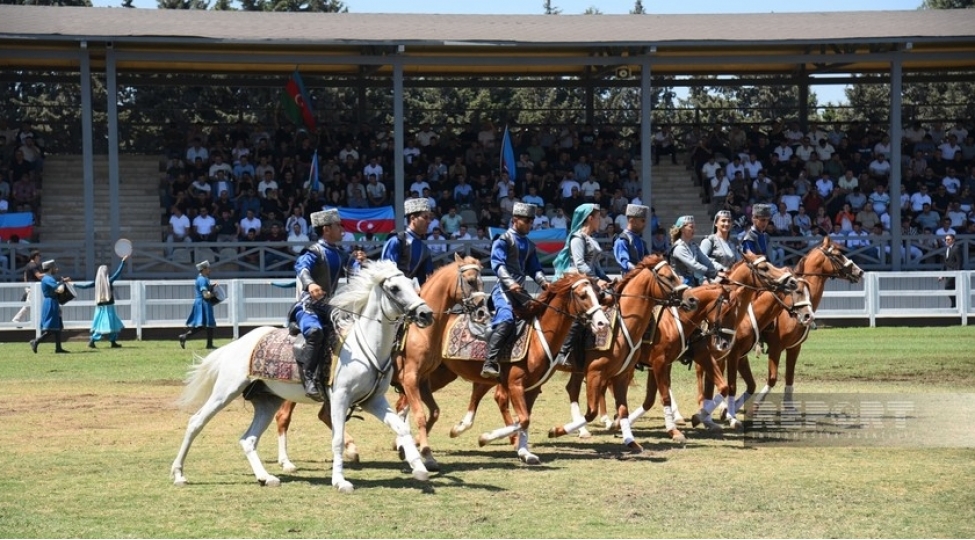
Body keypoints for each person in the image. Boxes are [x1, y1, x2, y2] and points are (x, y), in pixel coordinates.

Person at [480, 202, 550, 379]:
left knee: (542, 315)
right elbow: (498, 264)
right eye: (526, 221)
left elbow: (535, 269)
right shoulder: (503, 240)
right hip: (503, 291)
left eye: (531, 221)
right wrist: (510, 283)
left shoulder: (530, 245)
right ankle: (489, 362)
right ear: (515, 220)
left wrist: (544, 282)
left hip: (521, 293)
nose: (529, 224)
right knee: (507, 319)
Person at [291, 209, 348, 401]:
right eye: (338, 226)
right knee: (315, 332)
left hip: (329, 308)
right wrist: (310, 284)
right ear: (326, 229)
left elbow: (355, 270)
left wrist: (362, 263)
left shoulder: (340, 254)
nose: (342, 229)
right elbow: (301, 266)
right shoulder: (314, 251)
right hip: (308, 307)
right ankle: (308, 378)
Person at [552, 203, 611, 369]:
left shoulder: (591, 239)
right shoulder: (577, 238)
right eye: (598, 218)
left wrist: (606, 279)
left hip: (590, 279)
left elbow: (596, 265)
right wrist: (596, 280)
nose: (600, 221)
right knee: (583, 310)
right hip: (576, 279)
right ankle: (563, 352)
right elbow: (579, 264)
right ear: (590, 218)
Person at [75, 256, 128, 348]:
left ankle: (112, 342)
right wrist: (122, 262)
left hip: (100, 307)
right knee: (108, 324)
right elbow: (118, 273)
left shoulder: (96, 283)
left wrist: (74, 284)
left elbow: (84, 286)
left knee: (107, 324)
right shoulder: (109, 281)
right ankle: (93, 340)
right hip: (109, 307)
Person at [381, 198, 434, 288]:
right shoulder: (396, 241)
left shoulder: (425, 249)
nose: (429, 221)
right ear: (413, 218)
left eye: (430, 218)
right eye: (425, 217)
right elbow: (386, 272)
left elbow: (427, 279)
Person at [29, 260, 71, 354]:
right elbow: (58, 289)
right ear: (50, 268)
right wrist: (63, 283)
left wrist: (62, 281)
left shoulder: (47, 278)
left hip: (52, 301)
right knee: (51, 327)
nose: (56, 269)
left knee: (58, 326)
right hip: (51, 302)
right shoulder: (48, 278)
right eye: (54, 268)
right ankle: (36, 341)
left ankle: (58, 348)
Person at [177, 260, 218, 350]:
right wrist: (214, 294)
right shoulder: (202, 280)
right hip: (203, 303)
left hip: (202, 303)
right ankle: (186, 337)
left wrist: (211, 286)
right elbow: (205, 294)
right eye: (208, 268)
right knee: (206, 324)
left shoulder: (202, 278)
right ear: (204, 269)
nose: (209, 270)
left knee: (205, 325)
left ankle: (185, 337)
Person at [670, 216, 718, 286]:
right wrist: (713, 273)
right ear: (682, 229)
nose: (694, 230)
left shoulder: (693, 245)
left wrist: (720, 270)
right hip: (680, 284)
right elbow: (693, 265)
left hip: (693, 282)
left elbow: (706, 260)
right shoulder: (678, 247)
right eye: (691, 227)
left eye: (694, 227)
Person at [613, 204, 650, 273]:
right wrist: (638, 271)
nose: (645, 224)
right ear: (632, 221)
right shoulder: (622, 240)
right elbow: (624, 262)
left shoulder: (641, 242)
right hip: (630, 277)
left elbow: (648, 260)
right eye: (642, 221)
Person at [11, 249, 42, 326]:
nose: (39, 258)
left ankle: (34, 320)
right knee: (28, 305)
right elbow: (38, 276)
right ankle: (16, 319)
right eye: (39, 256)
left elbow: (25, 276)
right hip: (34, 288)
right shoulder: (33, 265)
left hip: (30, 287)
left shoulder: (28, 265)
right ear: (35, 257)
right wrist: (49, 273)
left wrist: (26, 286)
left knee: (35, 304)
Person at [939, 233, 961, 308]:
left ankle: (955, 304)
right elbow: (945, 263)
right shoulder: (946, 249)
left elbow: (959, 262)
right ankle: (954, 304)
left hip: (954, 273)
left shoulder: (956, 248)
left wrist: (956, 273)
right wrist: (942, 274)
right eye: (946, 240)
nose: (946, 241)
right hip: (948, 273)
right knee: (950, 289)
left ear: (953, 240)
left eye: (948, 240)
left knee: (948, 287)